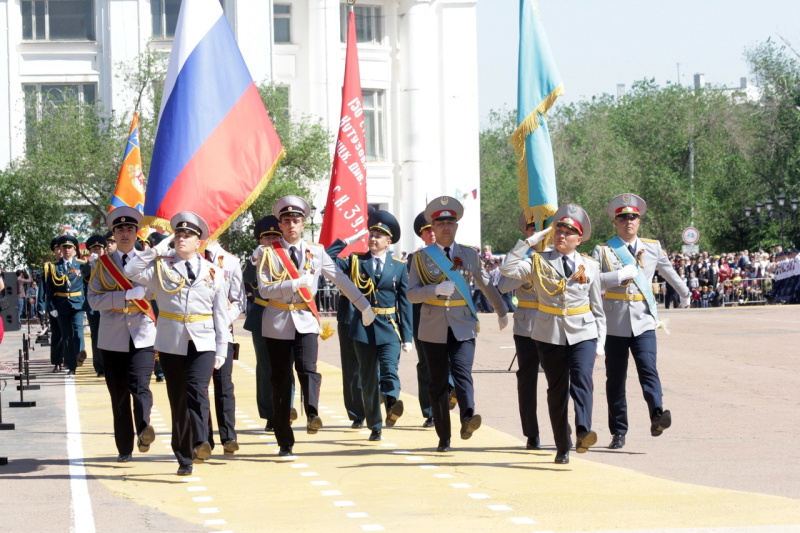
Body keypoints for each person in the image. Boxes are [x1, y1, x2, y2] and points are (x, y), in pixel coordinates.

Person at [255, 195, 376, 457]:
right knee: (280, 380)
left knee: (308, 368)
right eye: (286, 220)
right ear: (280, 224)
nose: (291, 225)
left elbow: (340, 279)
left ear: (303, 223)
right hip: (276, 321)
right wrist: (293, 284)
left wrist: (363, 305)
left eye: (296, 220)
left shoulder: (317, 252)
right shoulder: (267, 252)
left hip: (306, 320)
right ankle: (284, 441)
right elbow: (264, 290)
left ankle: (311, 412)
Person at [125, 212, 231, 476]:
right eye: (178, 234)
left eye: (188, 235)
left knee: (198, 391)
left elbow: (220, 313)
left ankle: (200, 441)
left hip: (203, 339)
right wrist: (158, 249)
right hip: (172, 341)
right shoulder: (161, 266)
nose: (182, 238)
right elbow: (130, 271)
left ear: (199, 241)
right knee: (178, 399)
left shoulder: (214, 272)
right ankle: (183, 456)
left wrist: (222, 348)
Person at [501, 204, 605, 464]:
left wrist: (600, 342)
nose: (561, 235)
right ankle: (562, 444)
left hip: (583, 332)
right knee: (557, 390)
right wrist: (528, 242)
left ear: (579, 239)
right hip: (549, 334)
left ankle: (583, 430)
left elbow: (598, 309)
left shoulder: (590, 266)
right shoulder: (538, 261)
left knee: (582, 380)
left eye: (569, 232)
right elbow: (507, 270)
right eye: (559, 230)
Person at [407, 196, 509, 452]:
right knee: (438, 382)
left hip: (463, 323)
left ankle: (468, 417)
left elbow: (485, 284)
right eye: (440, 223)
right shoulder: (420, 258)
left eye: (450, 223)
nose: (446, 228)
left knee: (463, 373)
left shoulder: (468, 254)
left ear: (456, 226)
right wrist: (433, 290)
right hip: (432, 327)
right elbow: (411, 293)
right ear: (432, 227)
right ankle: (444, 436)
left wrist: (501, 310)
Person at [592, 194, 690, 450]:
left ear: (639, 221)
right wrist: (617, 276)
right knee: (615, 379)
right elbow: (594, 281)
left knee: (648, 369)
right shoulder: (603, 250)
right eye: (623, 218)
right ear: (615, 222)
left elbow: (668, 271)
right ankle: (618, 431)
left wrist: (684, 292)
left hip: (644, 320)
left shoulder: (653, 247)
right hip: (614, 321)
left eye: (633, 217)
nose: (628, 222)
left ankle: (657, 416)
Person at [87, 208, 157, 462]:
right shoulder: (102, 264)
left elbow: (160, 291)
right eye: (120, 230)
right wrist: (124, 296)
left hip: (142, 333)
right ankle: (124, 448)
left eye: (129, 229)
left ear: (137, 233)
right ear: (114, 234)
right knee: (118, 394)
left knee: (141, 387)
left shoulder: (150, 261)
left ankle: (143, 427)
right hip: (112, 336)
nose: (125, 234)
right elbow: (93, 300)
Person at [337, 210, 412, 441]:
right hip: (363, 327)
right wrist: (344, 243)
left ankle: (391, 402)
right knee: (368, 380)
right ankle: (375, 425)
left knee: (390, 369)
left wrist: (408, 337)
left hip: (389, 326)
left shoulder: (399, 266)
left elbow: (405, 303)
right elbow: (326, 260)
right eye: (371, 234)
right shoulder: (356, 261)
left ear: (389, 241)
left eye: (379, 235)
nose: (373, 238)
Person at [243, 216, 297, 431]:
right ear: (260, 240)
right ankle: (269, 413)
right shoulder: (257, 258)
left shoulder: (289, 258)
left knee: (287, 366)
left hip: (286, 314)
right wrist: (254, 260)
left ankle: (287, 408)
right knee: (266, 368)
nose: (272, 241)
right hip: (262, 314)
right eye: (268, 238)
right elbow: (247, 277)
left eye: (276, 236)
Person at [497, 212, 544, 450]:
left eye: (542, 226)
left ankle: (563, 426)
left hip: (556, 324)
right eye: (531, 227)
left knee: (561, 380)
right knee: (527, 381)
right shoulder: (519, 256)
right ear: (525, 231)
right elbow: (503, 285)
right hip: (527, 326)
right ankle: (531, 432)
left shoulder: (558, 253)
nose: (536, 230)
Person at [203, 239, 246, 456]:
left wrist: (223, 320)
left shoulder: (230, 262)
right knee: (199, 387)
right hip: (195, 333)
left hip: (222, 334)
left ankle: (228, 436)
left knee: (224, 386)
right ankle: (204, 439)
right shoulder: (184, 258)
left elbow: (238, 301)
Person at [45, 235, 87, 376]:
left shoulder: (81, 265)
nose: (67, 249)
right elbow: (49, 290)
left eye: (70, 247)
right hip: (61, 305)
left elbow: (87, 284)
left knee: (78, 330)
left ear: (75, 250)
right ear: (61, 250)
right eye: (64, 247)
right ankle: (71, 365)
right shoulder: (53, 267)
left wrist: (88, 304)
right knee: (67, 336)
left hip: (78, 304)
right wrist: (51, 307)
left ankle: (80, 353)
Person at [82, 234, 107, 377]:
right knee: (96, 336)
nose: (97, 251)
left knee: (110, 335)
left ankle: (110, 364)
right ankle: (99, 366)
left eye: (99, 248)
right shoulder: (86, 265)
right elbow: (86, 279)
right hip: (93, 306)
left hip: (108, 303)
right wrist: (91, 265)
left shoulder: (110, 263)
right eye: (94, 249)